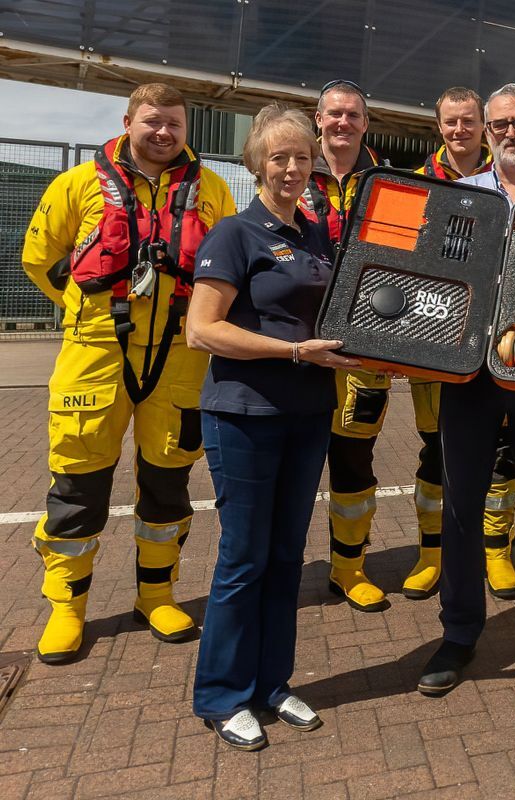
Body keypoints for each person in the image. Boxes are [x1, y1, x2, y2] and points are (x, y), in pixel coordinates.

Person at [21, 83, 236, 664]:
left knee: (168, 479)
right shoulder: (76, 185)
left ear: (186, 128)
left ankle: (156, 594)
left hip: (180, 354)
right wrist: (84, 310)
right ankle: (67, 605)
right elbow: (39, 260)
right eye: (152, 121)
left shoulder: (214, 191)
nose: (163, 132)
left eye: (174, 123)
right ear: (128, 121)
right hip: (95, 353)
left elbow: (228, 270)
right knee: (78, 484)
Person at [188, 104, 360, 750]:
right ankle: (221, 695)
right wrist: (292, 352)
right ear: (258, 163)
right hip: (243, 416)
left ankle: (272, 683)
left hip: (308, 416)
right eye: (279, 157)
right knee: (243, 556)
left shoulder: (318, 236)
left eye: (301, 158)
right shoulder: (234, 233)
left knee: (288, 556)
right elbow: (201, 329)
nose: (292, 168)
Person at [417, 84, 515, 698]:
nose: (512, 132)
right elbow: (437, 276)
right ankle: (458, 633)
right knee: (461, 508)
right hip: (471, 375)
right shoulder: (461, 197)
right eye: (501, 124)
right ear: (486, 134)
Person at [407, 86, 515, 602]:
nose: (460, 131)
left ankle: (497, 553)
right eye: (450, 122)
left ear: (486, 127)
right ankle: (432, 554)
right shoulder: (417, 184)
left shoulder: (513, 181)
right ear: (439, 127)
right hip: (441, 335)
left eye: (469, 122)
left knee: (503, 455)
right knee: (437, 453)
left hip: (501, 339)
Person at [301, 79, 392, 613]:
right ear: (318, 118)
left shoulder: (388, 182)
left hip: (363, 350)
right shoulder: (290, 170)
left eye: (352, 115)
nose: (342, 123)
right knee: (294, 460)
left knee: (354, 462)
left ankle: (348, 568)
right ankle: (281, 564)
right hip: (299, 344)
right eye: (334, 113)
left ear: (365, 122)